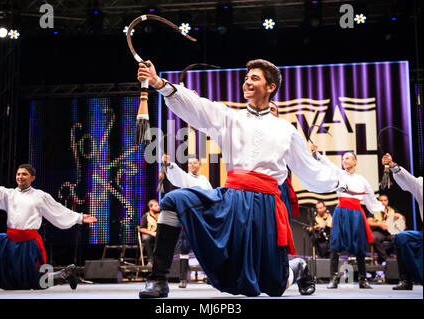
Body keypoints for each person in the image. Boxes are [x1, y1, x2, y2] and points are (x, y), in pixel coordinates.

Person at [137, 59, 349, 299]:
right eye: (246, 78)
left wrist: (341, 180)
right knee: (175, 200)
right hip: (233, 200)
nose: (247, 81)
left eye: (254, 78)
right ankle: (158, 279)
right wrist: (158, 82)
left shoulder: (286, 130)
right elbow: (197, 106)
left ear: (270, 87)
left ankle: (297, 268)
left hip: (267, 208)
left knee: (273, 285)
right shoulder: (229, 117)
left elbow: (310, 170)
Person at [0, 164, 97, 291]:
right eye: (18, 174)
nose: (20, 177)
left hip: (28, 245)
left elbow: (57, 210)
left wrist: (79, 217)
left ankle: (65, 273)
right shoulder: (8, 195)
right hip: (9, 241)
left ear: (32, 178)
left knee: (37, 282)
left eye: (24, 174)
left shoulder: (40, 196)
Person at [311, 145, 384, 289]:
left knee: (359, 246)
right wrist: (316, 153)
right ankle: (333, 279)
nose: (345, 161)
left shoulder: (362, 179)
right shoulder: (339, 173)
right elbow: (326, 163)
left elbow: (370, 198)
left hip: (356, 214)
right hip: (341, 212)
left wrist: (381, 209)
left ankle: (363, 279)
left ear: (355, 161)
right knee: (335, 245)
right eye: (343, 159)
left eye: (348, 158)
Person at [163, 153, 212, 288]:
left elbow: (211, 195)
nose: (191, 165)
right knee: (184, 248)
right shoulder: (185, 177)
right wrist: (169, 164)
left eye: (194, 163)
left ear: (200, 165)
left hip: (201, 217)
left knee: (206, 248)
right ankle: (183, 279)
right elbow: (177, 173)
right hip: (188, 216)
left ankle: (210, 276)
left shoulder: (204, 179)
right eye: (189, 163)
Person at [382, 153, 422, 290]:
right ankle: (406, 280)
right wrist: (392, 166)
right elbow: (409, 180)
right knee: (400, 238)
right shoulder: (421, 185)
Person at [367, 194, 404, 265]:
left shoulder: (392, 210)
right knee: (372, 237)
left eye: (385, 200)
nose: (383, 202)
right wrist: (379, 224)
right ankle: (385, 258)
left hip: (390, 232)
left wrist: (400, 216)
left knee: (399, 238)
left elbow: (402, 219)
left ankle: (382, 256)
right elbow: (368, 222)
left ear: (388, 201)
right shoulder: (373, 211)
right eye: (381, 200)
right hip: (379, 232)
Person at [139, 199, 160, 267]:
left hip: (159, 236)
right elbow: (141, 229)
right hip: (151, 235)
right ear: (150, 207)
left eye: (158, 205)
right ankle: (150, 260)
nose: (158, 207)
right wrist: (152, 233)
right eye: (156, 206)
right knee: (146, 238)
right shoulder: (146, 216)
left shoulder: (161, 215)